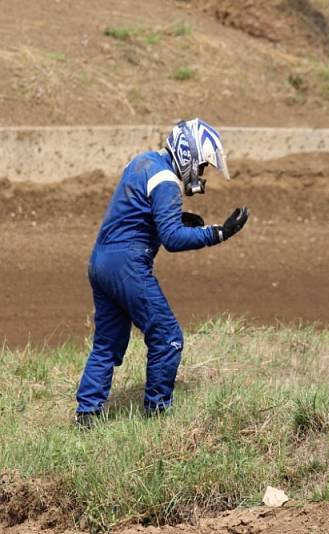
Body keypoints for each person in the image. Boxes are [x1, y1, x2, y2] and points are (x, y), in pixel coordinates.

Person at [75, 118, 249, 427]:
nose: (202, 173)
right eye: (203, 166)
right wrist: (218, 232)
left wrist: (176, 216)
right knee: (168, 337)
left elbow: (134, 211)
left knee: (106, 344)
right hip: (128, 266)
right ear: (189, 154)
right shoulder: (167, 182)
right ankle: (156, 413)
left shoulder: (144, 161)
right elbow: (172, 240)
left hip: (100, 262)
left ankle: (87, 414)